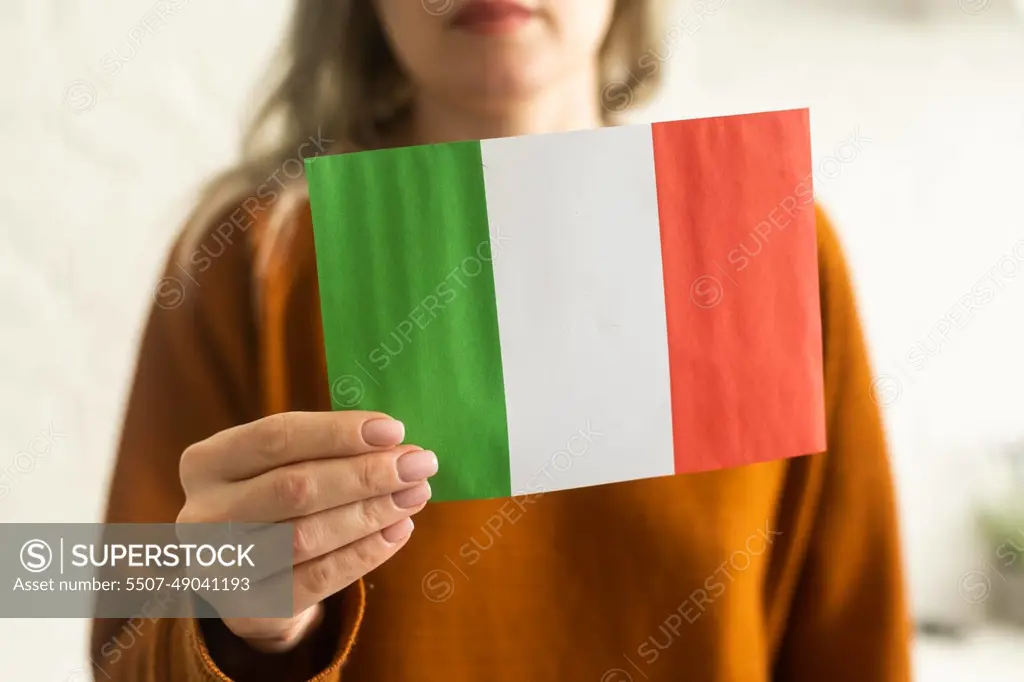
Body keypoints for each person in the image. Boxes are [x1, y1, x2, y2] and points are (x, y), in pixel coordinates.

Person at [92, 0, 912, 680]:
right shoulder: (246, 264)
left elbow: (858, 640)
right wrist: (240, 627)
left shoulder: (771, 242)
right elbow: (123, 650)